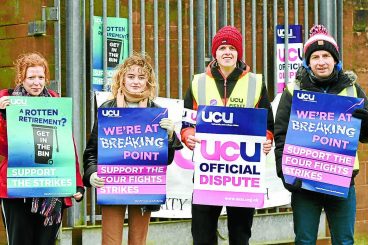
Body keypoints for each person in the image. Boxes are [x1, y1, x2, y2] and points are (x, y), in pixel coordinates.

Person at [274, 24, 368, 244]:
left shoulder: (353, 89)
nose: (321, 61)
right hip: (304, 181)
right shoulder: (293, 90)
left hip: (342, 179)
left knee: (344, 240)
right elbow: (281, 134)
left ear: (335, 59)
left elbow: (363, 136)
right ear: (308, 61)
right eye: (315, 56)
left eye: (326, 55)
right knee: (305, 240)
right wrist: (284, 172)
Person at [181, 26, 274, 245]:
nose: (227, 52)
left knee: (240, 235)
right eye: (222, 47)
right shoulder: (198, 82)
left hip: (242, 174)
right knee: (202, 235)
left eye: (232, 48)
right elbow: (186, 122)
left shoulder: (256, 83)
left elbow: (267, 125)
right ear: (215, 52)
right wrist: (188, 135)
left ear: (238, 52)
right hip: (208, 172)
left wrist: (267, 140)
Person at [83, 52, 183, 245]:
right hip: (112, 185)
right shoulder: (107, 109)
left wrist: (170, 136)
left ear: (148, 81)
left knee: (138, 241)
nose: (136, 82)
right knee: (110, 241)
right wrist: (92, 173)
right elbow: (92, 152)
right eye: (131, 76)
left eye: (141, 77)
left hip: (144, 187)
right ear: (122, 78)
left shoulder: (156, 113)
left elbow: (165, 160)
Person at [0, 52, 85, 245]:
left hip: (51, 190)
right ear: (21, 78)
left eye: (41, 77)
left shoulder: (55, 103)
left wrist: (76, 182)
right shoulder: (7, 100)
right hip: (17, 189)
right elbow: (5, 148)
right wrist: (3, 117)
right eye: (31, 77)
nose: (36, 83)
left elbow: (66, 147)